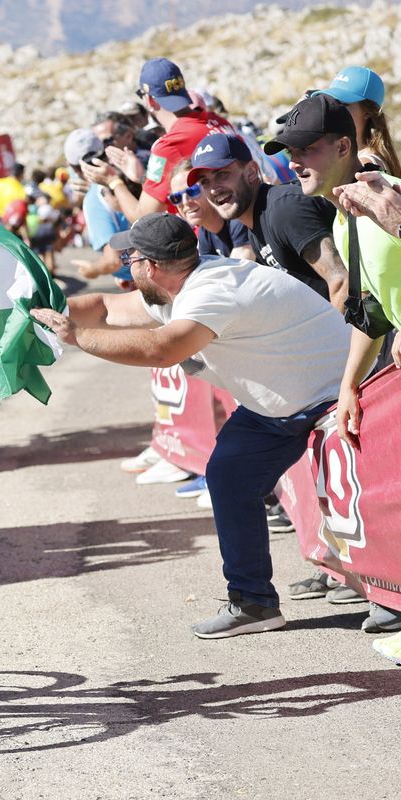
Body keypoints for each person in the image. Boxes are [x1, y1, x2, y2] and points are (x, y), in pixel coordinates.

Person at [31, 213, 352, 639]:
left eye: (130, 258)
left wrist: (76, 338)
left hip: (330, 395)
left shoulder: (212, 292)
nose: (126, 265)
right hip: (282, 403)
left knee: (326, 490)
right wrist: (37, 313)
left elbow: (163, 349)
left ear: (151, 266)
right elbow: (106, 308)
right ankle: (253, 603)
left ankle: (376, 592)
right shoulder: (178, 284)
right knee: (228, 476)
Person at [279, 95, 401, 634]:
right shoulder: (345, 213)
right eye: (288, 152)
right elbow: (371, 313)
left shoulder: (383, 195)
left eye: (307, 148)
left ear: (345, 146)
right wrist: (349, 387)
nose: (294, 161)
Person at [189, 131, 349, 310]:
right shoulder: (255, 226)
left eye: (222, 174)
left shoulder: (283, 210)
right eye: (204, 182)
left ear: (251, 172)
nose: (213, 189)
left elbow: (342, 282)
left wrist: (334, 337)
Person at [113, 58, 238, 221]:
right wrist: (142, 177)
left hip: (211, 239)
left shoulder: (169, 145)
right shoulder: (218, 121)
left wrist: (113, 181)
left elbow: (143, 217)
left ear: (149, 100)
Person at [64, 128, 132, 286]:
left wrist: (93, 270)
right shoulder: (129, 171)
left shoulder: (95, 197)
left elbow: (113, 261)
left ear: (72, 167)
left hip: (141, 279)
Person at [314, 65, 401, 176]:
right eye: (331, 102)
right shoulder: (356, 157)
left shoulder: (365, 165)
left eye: (343, 104)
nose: (333, 109)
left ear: (368, 112)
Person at [167, 160, 255, 260]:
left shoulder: (236, 214)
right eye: (176, 198)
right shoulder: (204, 234)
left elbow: (242, 267)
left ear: (208, 187)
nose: (185, 202)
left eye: (192, 191)